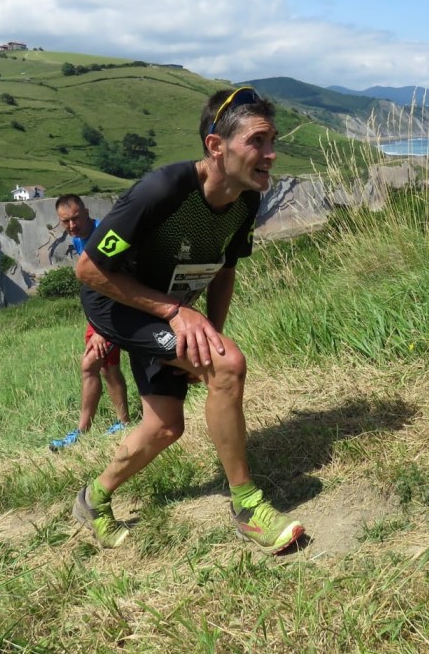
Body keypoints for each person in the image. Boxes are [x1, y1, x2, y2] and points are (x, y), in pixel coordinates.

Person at [72, 87, 305, 554]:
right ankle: (247, 507)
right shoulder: (164, 191)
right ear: (216, 146)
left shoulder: (245, 199)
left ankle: (92, 499)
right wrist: (177, 315)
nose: (270, 154)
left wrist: (208, 330)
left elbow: (226, 270)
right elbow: (89, 270)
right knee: (226, 365)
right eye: (257, 141)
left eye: (272, 140)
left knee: (164, 427)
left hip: (171, 307)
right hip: (117, 304)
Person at [48, 194, 131, 452]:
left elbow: (116, 280)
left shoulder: (102, 234)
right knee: (108, 367)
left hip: (114, 310)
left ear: (86, 211)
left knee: (90, 365)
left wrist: (100, 329)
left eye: (75, 218)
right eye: (65, 222)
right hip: (101, 313)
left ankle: (82, 432)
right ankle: (123, 421)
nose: (72, 225)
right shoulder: (80, 236)